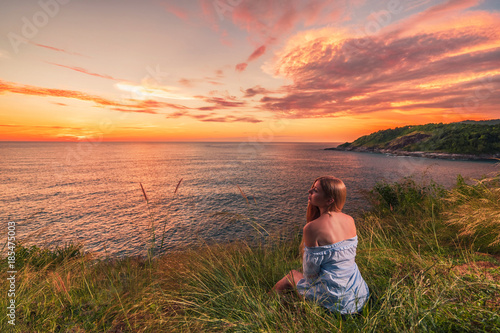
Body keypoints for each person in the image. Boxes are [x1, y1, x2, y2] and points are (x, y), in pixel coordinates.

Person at [271, 176, 369, 315]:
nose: (309, 191)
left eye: (315, 190)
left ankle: (262, 307)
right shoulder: (350, 220)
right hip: (357, 295)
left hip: (335, 302)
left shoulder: (312, 228)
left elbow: (310, 275)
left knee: (291, 276)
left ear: (329, 200)